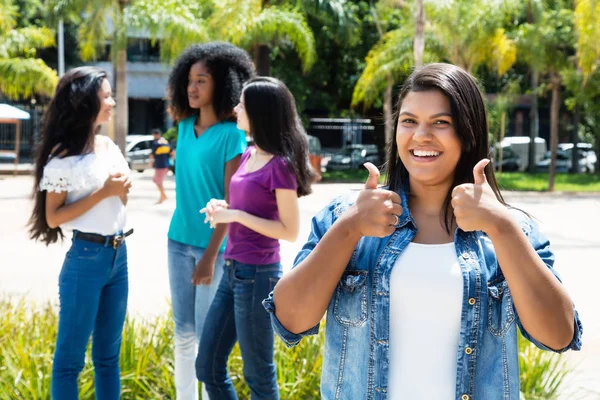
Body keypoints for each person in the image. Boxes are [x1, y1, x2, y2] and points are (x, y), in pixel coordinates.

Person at [264, 63, 583, 399]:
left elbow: (558, 336)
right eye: (409, 121)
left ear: (468, 132)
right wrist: (349, 229)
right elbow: (290, 320)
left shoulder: (512, 228)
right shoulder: (345, 216)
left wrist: (501, 227)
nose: (421, 135)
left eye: (441, 123)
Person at [195, 77, 316, 399]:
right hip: (233, 270)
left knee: (258, 375)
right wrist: (223, 207)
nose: (235, 109)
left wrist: (235, 215)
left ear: (259, 112)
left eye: (242, 105)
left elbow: (289, 231)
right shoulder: (249, 154)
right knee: (207, 367)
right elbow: (247, 207)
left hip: (258, 275)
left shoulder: (281, 166)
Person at [28, 66, 133, 399]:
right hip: (86, 259)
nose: (112, 102)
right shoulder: (63, 158)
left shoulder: (108, 145)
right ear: (86, 102)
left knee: (107, 359)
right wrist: (103, 192)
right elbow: (54, 216)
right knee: (69, 362)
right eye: (105, 96)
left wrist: (121, 189)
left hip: (119, 255)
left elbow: (121, 198)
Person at [166, 42, 255, 400]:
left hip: (212, 249)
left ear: (222, 85)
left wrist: (209, 256)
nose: (192, 88)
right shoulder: (184, 127)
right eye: (189, 80)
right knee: (182, 332)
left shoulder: (232, 136)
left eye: (201, 80)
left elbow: (232, 202)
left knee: (205, 335)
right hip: (176, 241)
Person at [149, 128, 172, 203]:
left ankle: (163, 195)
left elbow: (152, 154)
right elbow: (172, 153)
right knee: (157, 180)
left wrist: (151, 162)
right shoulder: (166, 142)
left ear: (156, 135)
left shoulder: (156, 143)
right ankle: (162, 195)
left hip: (159, 165)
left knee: (158, 181)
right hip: (166, 164)